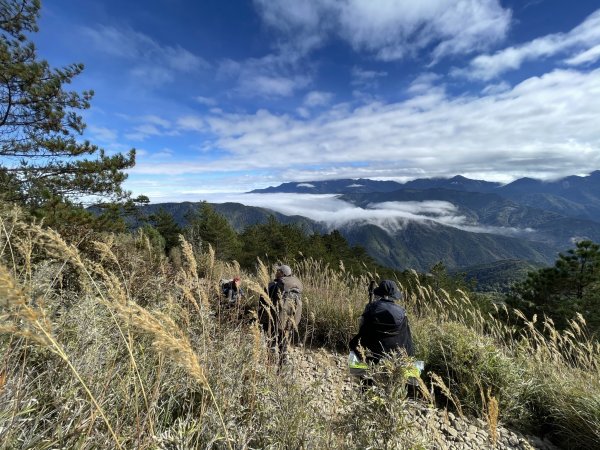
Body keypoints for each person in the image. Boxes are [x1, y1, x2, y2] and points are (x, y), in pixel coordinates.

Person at [349, 279, 414, 365]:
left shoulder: (371, 308)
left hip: (371, 355)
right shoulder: (402, 312)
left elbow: (362, 329)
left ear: (379, 293)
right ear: (394, 296)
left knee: (354, 345)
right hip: (395, 356)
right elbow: (406, 337)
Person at [259, 264, 303, 366]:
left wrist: (260, 316)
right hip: (291, 315)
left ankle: (271, 359)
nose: (276, 272)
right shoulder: (295, 285)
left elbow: (264, 299)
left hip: (278, 314)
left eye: (278, 271)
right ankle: (283, 358)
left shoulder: (276, 284)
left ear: (282, 273)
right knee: (284, 334)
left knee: (273, 333)